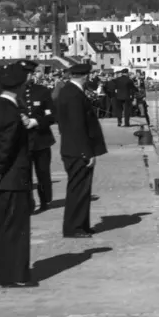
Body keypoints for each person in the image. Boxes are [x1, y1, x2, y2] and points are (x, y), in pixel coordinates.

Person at [0, 64, 36, 288]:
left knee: (1, 227)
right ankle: (15, 274)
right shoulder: (12, 113)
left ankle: (2, 273)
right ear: (21, 87)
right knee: (17, 228)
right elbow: (6, 150)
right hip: (13, 178)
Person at [55, 62, 108, 238]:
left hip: (73, 147)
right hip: (77, 150)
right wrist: (87, 153)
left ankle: (82, 224)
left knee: (82, 189)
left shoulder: (69, 91)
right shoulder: (74, 95)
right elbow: (77, 126)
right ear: (85, 76)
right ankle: (74, 227)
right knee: (78, 189)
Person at [19, 61, 56, 212]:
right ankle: (28, 202)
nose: (28, 76)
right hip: (22, 140)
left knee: (43, 173)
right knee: (24, 174)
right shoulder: (14, 93)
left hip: (41, 139)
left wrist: (35, 121)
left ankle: (45, 200)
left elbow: (52, 115)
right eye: (25, 73)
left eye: (30, 73)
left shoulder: (42, 91)